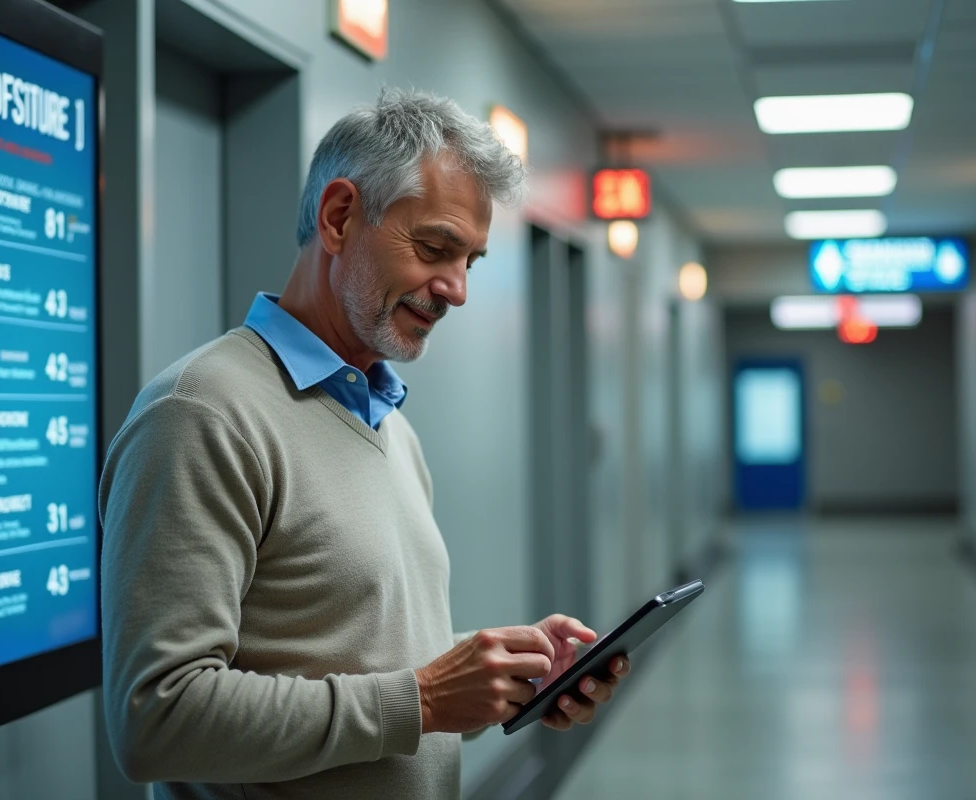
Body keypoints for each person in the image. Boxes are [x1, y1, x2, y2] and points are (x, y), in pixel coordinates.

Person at [98, 89, 631, 800]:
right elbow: (155, 719)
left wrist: (500, 680)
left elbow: (379, 675)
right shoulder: (200, 413)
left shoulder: (390, 423)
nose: (457, 290)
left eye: (470, 260)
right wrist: (426, 699)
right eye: (436, 248)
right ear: (339, 216)